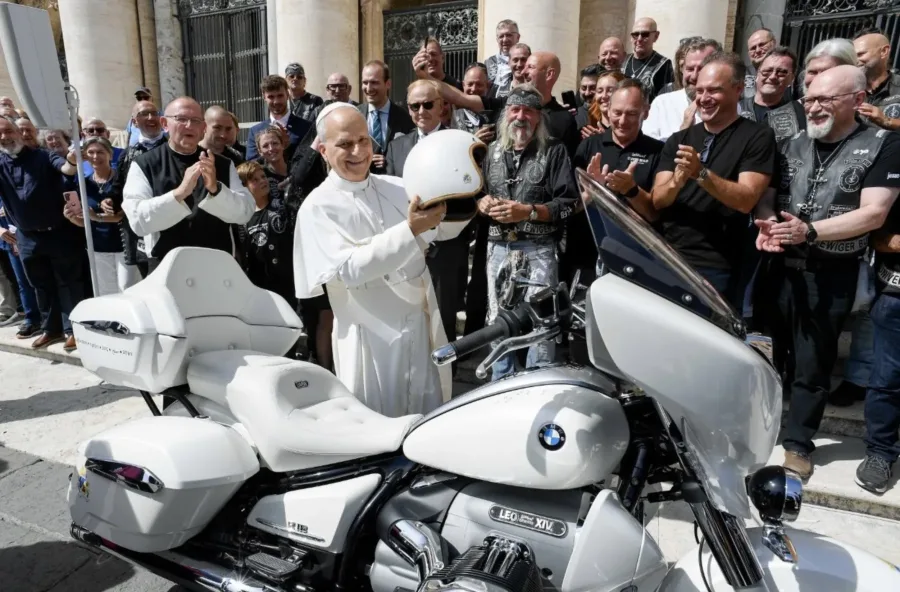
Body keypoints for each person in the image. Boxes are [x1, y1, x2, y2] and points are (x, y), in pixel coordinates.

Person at [755, 65, 900, 481]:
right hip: (776, 266)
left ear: (856, 100)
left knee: (812, 364)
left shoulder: (882, 144)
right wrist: (765, 224)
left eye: (825, 100)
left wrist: (811, 231)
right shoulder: (788, 142)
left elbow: (874, 213)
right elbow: (765, 197)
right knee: (764, 356)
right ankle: (757, 430)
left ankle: (798, 444)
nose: (814, 107)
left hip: (830, 273)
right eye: (810, 98)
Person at [293, 103, 469, 416]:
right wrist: (411, 228)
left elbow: (440, 231)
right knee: (377, 423)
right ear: (322, 149)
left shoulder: (398, 186)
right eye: (345, 144)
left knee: (424, 418)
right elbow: (350, 270)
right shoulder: (317, 207)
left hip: (418, 325)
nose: (358, 151)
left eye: (363, 140)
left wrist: (466, 196)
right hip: (370, 337)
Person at [650, 52, 775, 306]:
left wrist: (701, 173)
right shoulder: (679, 139)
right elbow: (658, 201)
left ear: (738, 89)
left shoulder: (757, 137)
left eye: (714, 91)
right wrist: (677, 180)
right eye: (699, 91)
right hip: (667, 256)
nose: (704, 99)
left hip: (716, 265)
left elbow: (746, 200)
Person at [478, 85, 578, 379]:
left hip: (539, 250)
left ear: (539, 117)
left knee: (542, 322)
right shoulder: (490, 151)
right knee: (498, 321)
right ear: (505, 114)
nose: (521, 117)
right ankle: (500, 385)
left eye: (529, 111)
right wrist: (480, 200)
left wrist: (529, 211)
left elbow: (569, 204)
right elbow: (475, 191)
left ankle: (537, 385)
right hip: (498, 249)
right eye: (515, 109)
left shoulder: (555, 150)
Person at [122, 97, 255, 270]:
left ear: (203, 128)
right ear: (165, 124)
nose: (189, 126)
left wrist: (216, 190)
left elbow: (244, 213)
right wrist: (179, 194)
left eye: (196, 121)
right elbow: (138, 221)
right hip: (168, 269)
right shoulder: (144, 165)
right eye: (181, 119)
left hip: (217, 268)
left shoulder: (223, 164)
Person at [386, 80, 470, 349]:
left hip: (446, 249)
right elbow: (390, 197)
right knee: (408, 319)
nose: (421, 110)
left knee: (443, 320)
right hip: (407, 249)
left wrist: (437, 233)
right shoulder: (396, 147)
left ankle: (447, 385)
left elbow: (470, 195)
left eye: (428, 104)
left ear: (442, 106)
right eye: (414, 105)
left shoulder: (460, 144)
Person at [0, 116, 82, 351]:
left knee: (69, 282)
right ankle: (51, 329)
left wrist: (73, 161)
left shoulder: (44, 156)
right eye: (0, 134)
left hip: (59, 232)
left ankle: (72, 329)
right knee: (41, 284)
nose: (5, 137)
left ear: (19, 133)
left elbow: (65, 168)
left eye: (8, 131)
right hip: (27, 237)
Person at [422, 50, 579, 157]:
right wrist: (424, 76)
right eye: (515, 110)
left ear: (549, 74)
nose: (523, 72)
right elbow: (459, 98)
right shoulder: (504, 104)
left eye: (530, 67)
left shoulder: (565, 119)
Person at [856, 188, 900, 494]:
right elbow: (877, 236)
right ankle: (880, 454)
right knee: (887, 378)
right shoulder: (894, 173)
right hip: (895, 297)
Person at [576, 79, 664, 227]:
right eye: (617, 112)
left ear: (646, 112)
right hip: (589, 243)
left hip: (634, 246)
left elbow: (654, 214)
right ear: (608, 110)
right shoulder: (588, 145)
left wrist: (631, 191)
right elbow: (568, 208)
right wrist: (591, 192)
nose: (623, 121)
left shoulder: (658, 151)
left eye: (631, 114)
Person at [62, 137, 138, 296]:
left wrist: (97, 217)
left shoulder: (122, 180)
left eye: (100, 152)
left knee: (128, 290)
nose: (95, 156)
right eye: (91, 152)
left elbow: (123, 215)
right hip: (97, 247)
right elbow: (86, 222)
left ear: (110, 155)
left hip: (124, 246)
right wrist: (73, 218)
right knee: (105, 293)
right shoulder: (84, 184)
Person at [111, 100, 168, 281]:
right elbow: (118, 187)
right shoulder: (127, 155)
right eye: (144, 114)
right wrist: (110, 201)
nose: (151, 118)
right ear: (135, 122)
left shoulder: (174, 147)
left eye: (154, 113)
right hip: (141, 229)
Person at [644, 38, 722, 141]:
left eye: (702, 69)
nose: (694, 76)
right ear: (682, 69)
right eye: (689, 69)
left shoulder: (729, 107)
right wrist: (683, 130)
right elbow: (647, 152)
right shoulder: (662, 104)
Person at [357, 60, 414, 174]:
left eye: (374, 82)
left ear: (388, 84)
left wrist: (389, 161)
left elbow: (410, 155)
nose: (368, 88)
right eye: (365, 82)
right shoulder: (355, 115)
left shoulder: (404, 118)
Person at [739, 46, 806, 140]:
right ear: (757, 74)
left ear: (791, 78)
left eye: (782, 72)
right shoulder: (736, 109)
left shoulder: (799, 113)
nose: (773, 76)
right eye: (767, 71)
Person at [246, 75, 313, 162]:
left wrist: (287, 147)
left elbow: (309, 161)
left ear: (287, 95)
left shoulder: (306, 127)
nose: (276, 101)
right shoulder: (255, 131)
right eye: (271, 97)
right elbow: (252, 164)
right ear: (264, 97)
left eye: (280, 96)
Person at [853, 28, 900, 130]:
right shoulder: (848, 90)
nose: (855, 60)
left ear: (884, 51)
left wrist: (886, 121)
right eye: (852, 56)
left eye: (861, 54)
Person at [624, 17, 675, 102]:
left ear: (656, 36)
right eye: (635, 35)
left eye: (645, 34)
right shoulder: (623, 61)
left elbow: (666, 99)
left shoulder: (663, 64)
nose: (639, 39)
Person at [582, 70, 627, 138]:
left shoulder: (629, 129)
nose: (604, 96)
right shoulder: (587, 128)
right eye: (600, 91)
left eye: (610, 91)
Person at [485, 19, 520, 95]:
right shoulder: (489, 62)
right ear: (497, 39)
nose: (505, 39)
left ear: (518, 37)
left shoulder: (526, 61)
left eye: (509, 35)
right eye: (501, 36)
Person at [744, 28, 777, 99]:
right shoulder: (742, 74)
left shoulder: (791, 72)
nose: (757, 50)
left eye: (762, 44)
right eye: (753, 48)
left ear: (773, 43)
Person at [574, 65, 601, 131]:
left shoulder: (614, 116)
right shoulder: (574, 116)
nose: (587, 93)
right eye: (584, 88)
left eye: (593, 88)